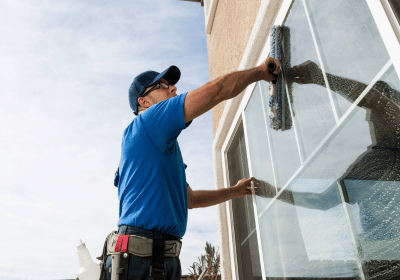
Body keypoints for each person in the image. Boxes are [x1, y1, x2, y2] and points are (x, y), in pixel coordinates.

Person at [105, 57, 281, 280]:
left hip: (158, 257)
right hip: (142, 259)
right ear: (144, 102)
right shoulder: (148, 122)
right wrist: (259, 72)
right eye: (162, 86)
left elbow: (190, 199)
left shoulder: (159, 147)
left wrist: (235, 191)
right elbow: (215, 91)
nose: (172, 88)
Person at [256, 60, 400, 280]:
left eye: (372, 113)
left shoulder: (379, 161)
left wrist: (272, 192)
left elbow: (323, 201)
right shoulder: (383, 159)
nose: (367, 119)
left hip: (386, 263)